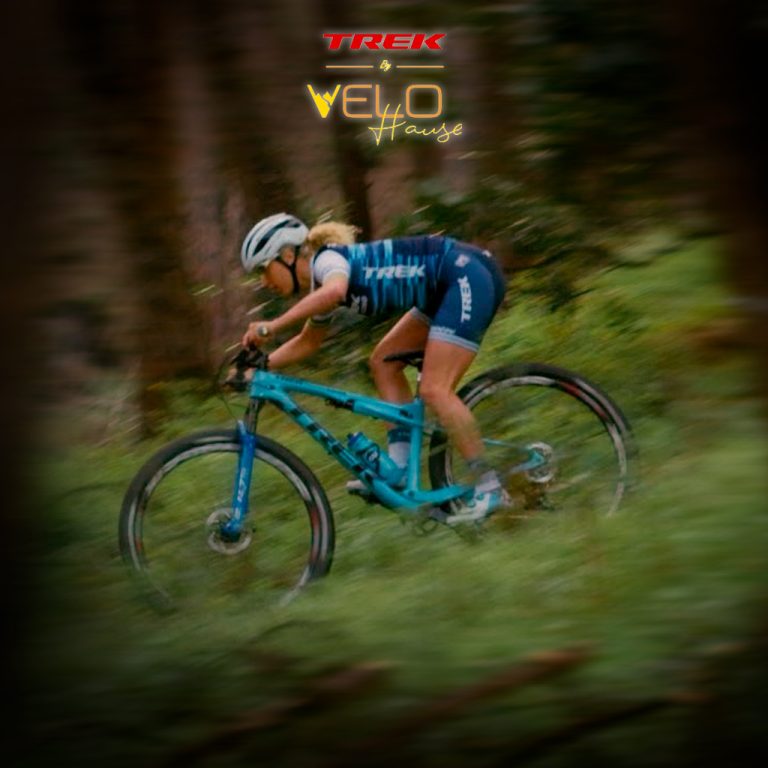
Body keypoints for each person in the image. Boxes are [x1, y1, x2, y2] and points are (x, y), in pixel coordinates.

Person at [239, 212, 509, 522]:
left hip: (466, 275)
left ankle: (490, 485)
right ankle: (399, 470)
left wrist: (272, 326)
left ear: (287, 254)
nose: (263, 281)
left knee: (435, 390)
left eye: (263, 269)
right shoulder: (320, 288)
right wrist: (258, 365)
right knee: (383, 362)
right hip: (443, 289)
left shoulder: (327, 262)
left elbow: (335, 291)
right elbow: (308, 342)